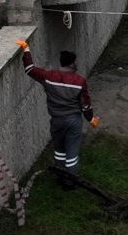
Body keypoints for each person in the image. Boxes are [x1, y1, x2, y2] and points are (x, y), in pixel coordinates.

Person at [17, 40, 96, 186]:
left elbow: (29, 69)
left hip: (57, 120)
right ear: (72, 64)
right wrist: (90, 119)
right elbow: (85, 104)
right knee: (71, 152)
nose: (76, 64)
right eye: (75, 62)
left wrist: (26, 49)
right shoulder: (79, 81)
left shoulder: (49, 76)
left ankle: (60, 176)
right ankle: (71, 182)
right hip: (73, 121)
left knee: (59, 150)